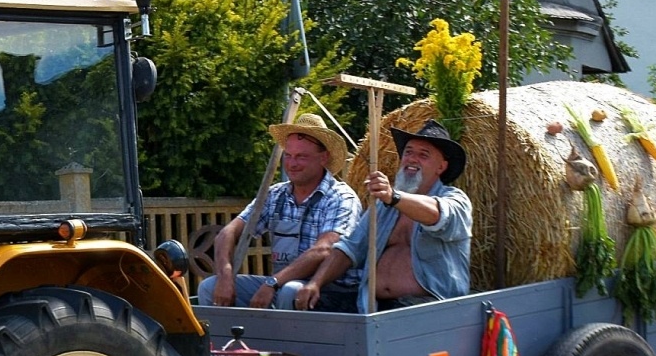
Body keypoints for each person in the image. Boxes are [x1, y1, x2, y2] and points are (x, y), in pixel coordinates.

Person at [294, 119, 472, 313]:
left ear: (441, 167)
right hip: (371, 304)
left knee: (398, 317)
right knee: (305, 303)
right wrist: (316, 283)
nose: (412, 159)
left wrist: (393, 196)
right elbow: (351, 248)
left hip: (430, 307)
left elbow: (438, 214)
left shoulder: (456, 200)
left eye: (423, 155)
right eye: (408, 152)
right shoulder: (385, 206)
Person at [198, 113, 362, 311]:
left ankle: (281, 332)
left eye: (301, 156)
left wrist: (273, 282)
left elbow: (324, 249)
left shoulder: (341, 197)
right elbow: (227, 233)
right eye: (288, 155)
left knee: (290, 291)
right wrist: (225, 275)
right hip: (280, 283)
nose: (292, 163)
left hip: (333, 291)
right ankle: (227, 333)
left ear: (323, 158)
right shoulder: (275, 194)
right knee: (208, 287)